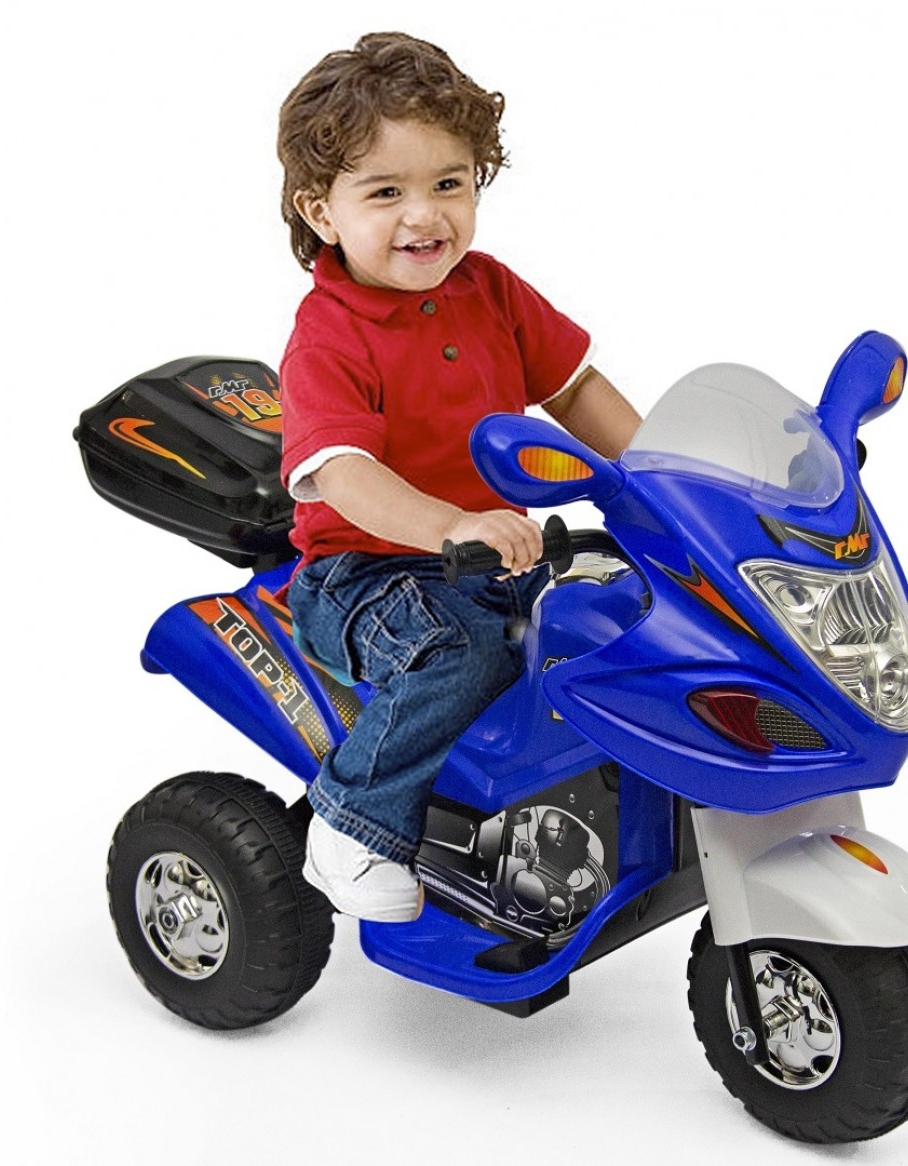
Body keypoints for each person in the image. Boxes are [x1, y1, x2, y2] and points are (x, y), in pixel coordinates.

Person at [277, 32, 642, 922]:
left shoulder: (491, 290)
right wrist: (450, 525)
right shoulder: (330, 335)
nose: (424, 215)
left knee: (627, 613)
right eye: (385, 192)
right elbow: (345, 476)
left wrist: (669, 478)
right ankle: (352, 821)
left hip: (497, 553)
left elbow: (576, 389)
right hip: (367, 570)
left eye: (448, 183)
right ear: (321, 211)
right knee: (463, 656)